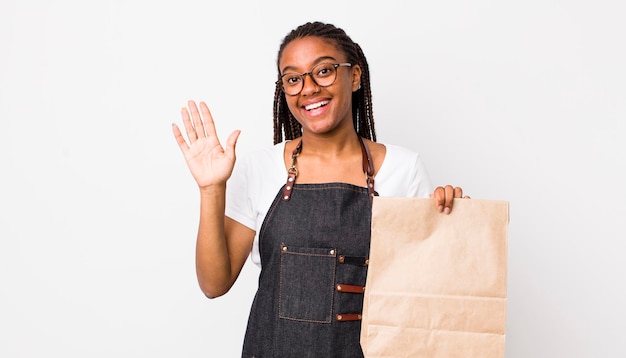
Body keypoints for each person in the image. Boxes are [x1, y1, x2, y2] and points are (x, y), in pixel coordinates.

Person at [172, 21, 468, 358]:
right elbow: (214, 284)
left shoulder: (404, 168)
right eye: (293, 79)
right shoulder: (260, 168)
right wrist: (211, 189)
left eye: (323, 71)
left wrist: (453, 225)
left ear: (355, 76)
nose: (309, 88)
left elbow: (427, 290)